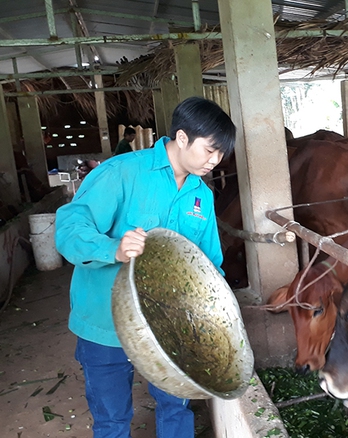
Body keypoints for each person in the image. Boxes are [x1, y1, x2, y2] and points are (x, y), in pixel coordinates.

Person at [55, 97, 236, 438]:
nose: (215, 161)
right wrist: (114, 249)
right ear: (182, 138)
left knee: (175, 405)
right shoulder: (121, 172)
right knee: (112, 419)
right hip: (104, 322)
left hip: (170, 325)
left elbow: (209, 261)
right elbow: (68, 228)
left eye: (221, 154)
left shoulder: (201, 195)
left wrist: (216, 313)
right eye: (210, 151)